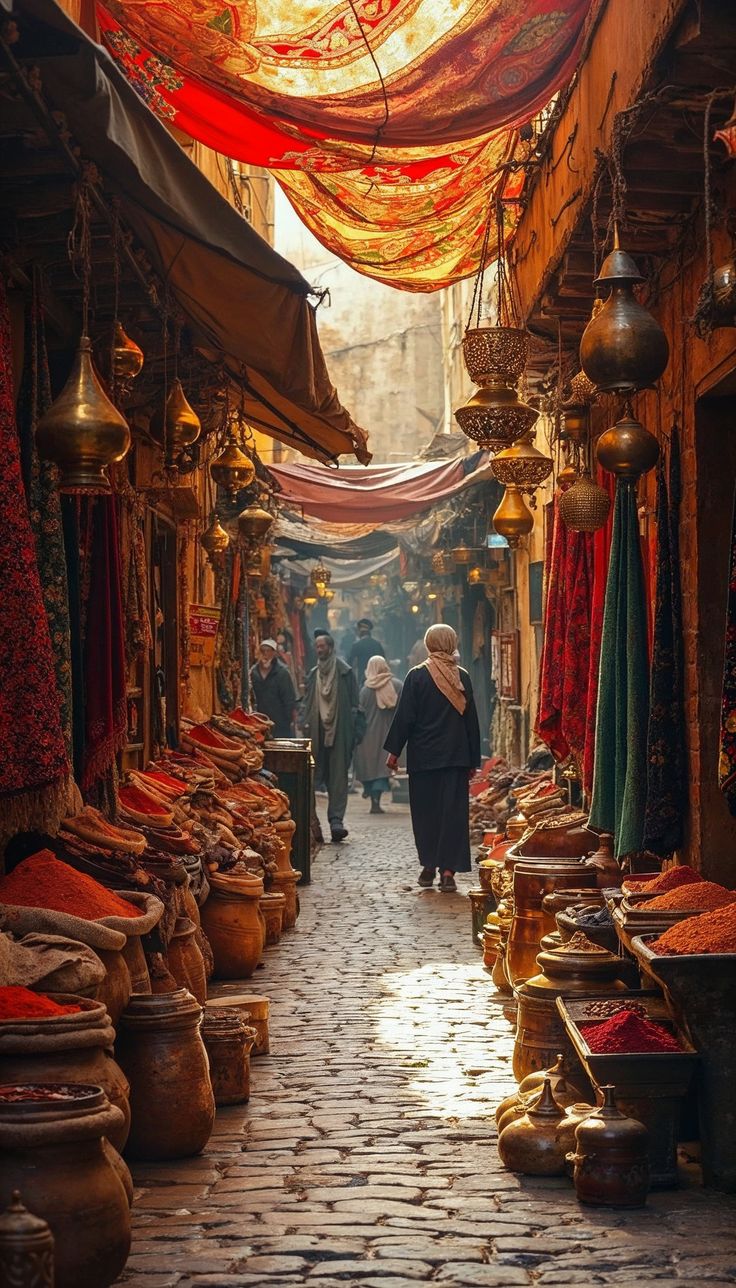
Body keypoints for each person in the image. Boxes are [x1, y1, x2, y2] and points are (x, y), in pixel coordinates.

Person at [384, 624, 480, 893]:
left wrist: (394, 752)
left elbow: (405, 718)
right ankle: (448, 872)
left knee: (426, 814)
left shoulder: (417, 676)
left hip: (424, 760)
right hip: (455, 758)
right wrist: (473, 760)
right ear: (451, 642)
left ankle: (428, 866)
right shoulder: (462, 677)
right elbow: (471, 723)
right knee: (453, 815)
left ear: (429, 644)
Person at [304, 632, 360, 842]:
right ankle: (313, 824)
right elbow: (306, 704)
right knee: (312, 777)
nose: (319, 650)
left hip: (340, 732)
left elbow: (355, 706)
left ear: (330, 647)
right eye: (317, 646)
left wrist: (354, 734)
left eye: (322, 646)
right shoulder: (313, 675)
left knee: (337, 778)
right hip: (317, 733)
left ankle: (336, 821)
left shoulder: (345, 673)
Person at [354, 656, 403, 815]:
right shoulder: (396, 685)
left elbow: (360, 713)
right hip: (388, 736)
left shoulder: (365, 690)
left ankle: (372, 797)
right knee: (382, 770)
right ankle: (376, 799)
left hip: (367, 737)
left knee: (370, 769)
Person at [250, 639, 297, 739]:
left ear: (274, 653)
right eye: (263, 651)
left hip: (280, 724)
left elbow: (289, 699)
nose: (265, 654)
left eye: (268, 651)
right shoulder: (253, 672)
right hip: (259, 724)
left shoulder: (282, 673)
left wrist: (287, 720)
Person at [348, 618, 386, 687]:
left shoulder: (357, 645)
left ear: (359, 632)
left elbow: (350, 663)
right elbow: (383, 661)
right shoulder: (377, 644)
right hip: (377, 678)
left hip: (363, 679)